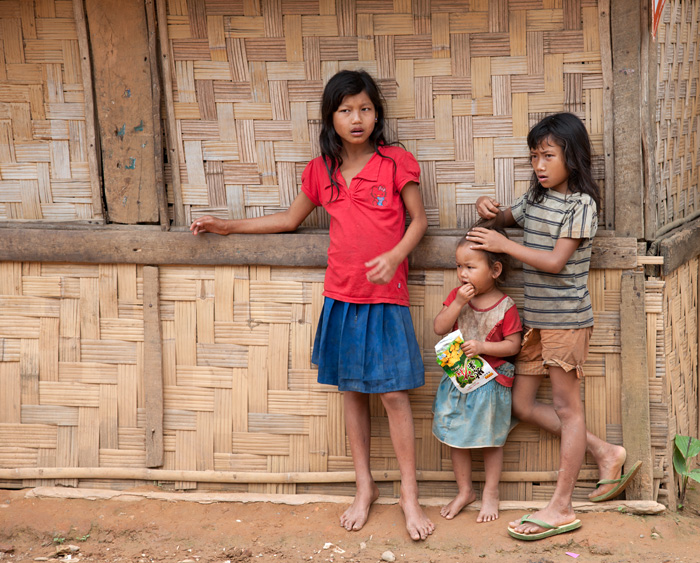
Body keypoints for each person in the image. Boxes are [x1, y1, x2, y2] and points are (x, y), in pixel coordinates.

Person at [190, 70, 434, 541]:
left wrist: (396, 255)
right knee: (351, 392)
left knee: (394, 395)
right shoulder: (320, 170)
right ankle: (364, 487)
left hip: (386, 296)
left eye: (364, 108)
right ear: (331, 118)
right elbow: (288, 219)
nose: (356, 118)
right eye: (345, 110)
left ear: (377, 113)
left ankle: (409, 494)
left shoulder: (396, 161)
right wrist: (228, 227)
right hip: (341, 296)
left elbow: (418, 221)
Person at [469, 112, 640, 540]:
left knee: (568, 407)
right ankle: (605, 452)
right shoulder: (535, 201)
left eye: (548, 155)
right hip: (535, 324)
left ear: (573, 157)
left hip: (566, 322)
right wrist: (489, 211)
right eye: (534, 157)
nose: (540, 166)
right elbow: (506, 219)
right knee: (522, 406)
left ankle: (561, 506)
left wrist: (505, 244)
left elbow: (554, 262)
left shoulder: (582, 206)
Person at [432, 225, 522, 523]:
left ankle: (491, 492)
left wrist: (484, 346)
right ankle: (464, 490)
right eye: (459, 266)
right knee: (456, 437)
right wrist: (457, 302)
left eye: (471, 266)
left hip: (491, 384)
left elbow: (514, 345)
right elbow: (439, 327)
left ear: (495, 269)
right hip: (460, 381)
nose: (462, 274)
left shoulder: (506, 307)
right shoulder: (457, 298)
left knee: (489, 440)